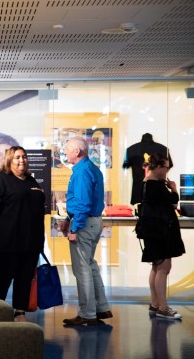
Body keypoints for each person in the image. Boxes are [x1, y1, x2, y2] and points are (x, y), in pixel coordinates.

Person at [0, 146, 45, 322]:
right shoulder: (0, 180)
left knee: (24, 278)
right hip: (8, 240)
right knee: (3, 277)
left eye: (24, 157)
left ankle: (20, 312)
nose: (21, 160)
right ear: (9, 159)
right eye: (17, 157)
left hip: (31, 241)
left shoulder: (32, 182)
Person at [59, 136, 113, 326]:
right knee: (90, 266)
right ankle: (101, 308)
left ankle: (88, 314)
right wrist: (68, 219)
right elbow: (82, 201)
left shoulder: (81, 172)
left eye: (67, 149)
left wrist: (74, 227)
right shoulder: (91, 169)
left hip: (84, 224)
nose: (64, 152)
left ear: (77, 152)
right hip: (93, 222)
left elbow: (82, 203)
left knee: (82, 269)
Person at [139, 153, 185, 319]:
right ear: (158, 167)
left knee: (157, 267)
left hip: (154, 231)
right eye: (166, 167)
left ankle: (155, 303)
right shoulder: (155, 186)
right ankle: (163, 307)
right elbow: (172, 200)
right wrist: (173, 188)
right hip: (161, 231)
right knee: (164, 268)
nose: (167, 170)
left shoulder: (148, 183)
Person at [123, 133, 173, 205]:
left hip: (139, 192)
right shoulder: (163, 149)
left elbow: (125, 166)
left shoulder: (130, 150)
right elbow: (168, 166)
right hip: (157, 192)